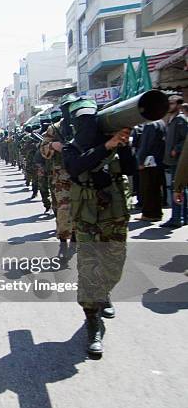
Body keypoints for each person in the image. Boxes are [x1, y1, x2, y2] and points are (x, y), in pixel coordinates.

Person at [63, 97, 136, 356]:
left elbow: (130, 169)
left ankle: (104, 293)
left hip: (115, 213)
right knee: (88, 268)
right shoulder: (71, 148)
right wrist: (107, 146)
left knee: (115, 264)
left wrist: (124, 145)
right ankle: (92, 320)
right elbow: (75, 166)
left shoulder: (115, 141)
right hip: (87, 217)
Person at [40, 104, 74, 251]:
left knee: (82, 208)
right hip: (62, 176)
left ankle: (76, 238)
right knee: (64, 209)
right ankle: (63, 239)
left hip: (82, 174)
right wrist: (53, 146)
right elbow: (43, 150)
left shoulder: (84, 123)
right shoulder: (54, 128)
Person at [161, 94, 187, 228]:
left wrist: (176, 149)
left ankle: (176, 218)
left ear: (178, 105)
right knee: (180, 189)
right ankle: (183, 216)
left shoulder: (180, 120)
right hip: (172, 160)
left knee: (177, 188)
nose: (169, 105)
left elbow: (185, 139)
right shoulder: (172, 119)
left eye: (172, 103)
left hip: (178, 160)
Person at [135, 120, 166, 221]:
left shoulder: (150, 125)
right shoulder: (161, 123)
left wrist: (140, 161)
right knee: (156, 188)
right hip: (159, 159)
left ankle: (148, 214)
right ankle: (157, 213)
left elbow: (145, 144)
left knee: (147, 188)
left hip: (149, 161)